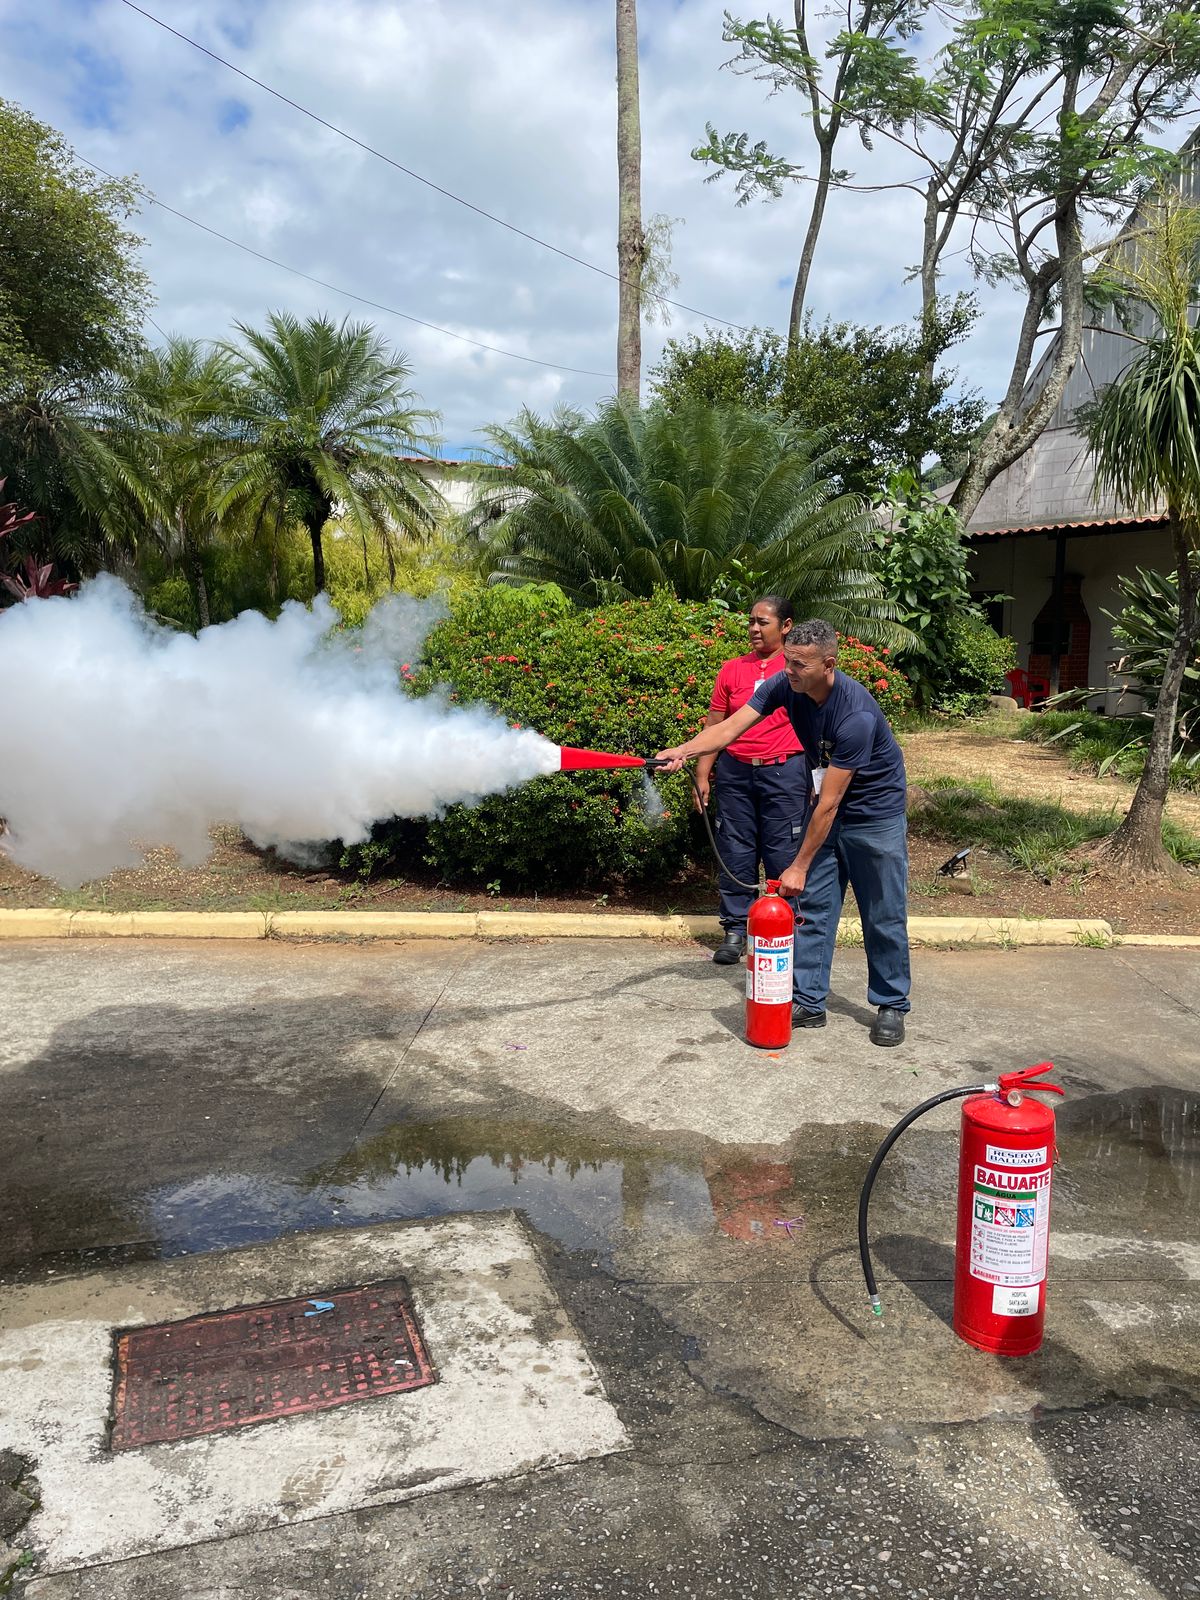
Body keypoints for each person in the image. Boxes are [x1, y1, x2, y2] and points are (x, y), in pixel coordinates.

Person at [657, 618, 910, 1047]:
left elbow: (830, 803)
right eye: (787, 660)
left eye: (799, 664)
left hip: (873, 816)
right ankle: (809, 1000)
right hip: (826, 809)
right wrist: (683, 751)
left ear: (828, 665)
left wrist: (799, 865)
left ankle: (891, 1004)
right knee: (812, 909)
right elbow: (730, 727)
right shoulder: (784, 685)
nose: (788, 670)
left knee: (882, 913)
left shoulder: (856, 716)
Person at [697, 595, 809, 966]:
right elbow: (715, 724)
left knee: (782, 852)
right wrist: (702, 773)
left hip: (784, 771)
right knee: (735, 849)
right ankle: (735, 930)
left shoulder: (795, 669)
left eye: (763, 622)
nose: (754, 629)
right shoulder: (732, 670)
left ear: (786, 626)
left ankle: (785, 929)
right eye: (751, 622)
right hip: (736, 771)